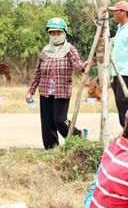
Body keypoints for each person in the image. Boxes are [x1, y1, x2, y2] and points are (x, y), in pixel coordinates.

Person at [26, 17, 87, 150]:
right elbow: (38, 73)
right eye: (52, 32)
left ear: (64, 33)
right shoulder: (45, 51)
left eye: (58, 32)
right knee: (47, 124)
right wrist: (31, 91)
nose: (55, 35)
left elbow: (77, 65)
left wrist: (83, 67)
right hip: (45, 92)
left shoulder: (69, 49)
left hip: (62, 92)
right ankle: (51, 150)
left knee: (59, 121)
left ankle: (78, 136)